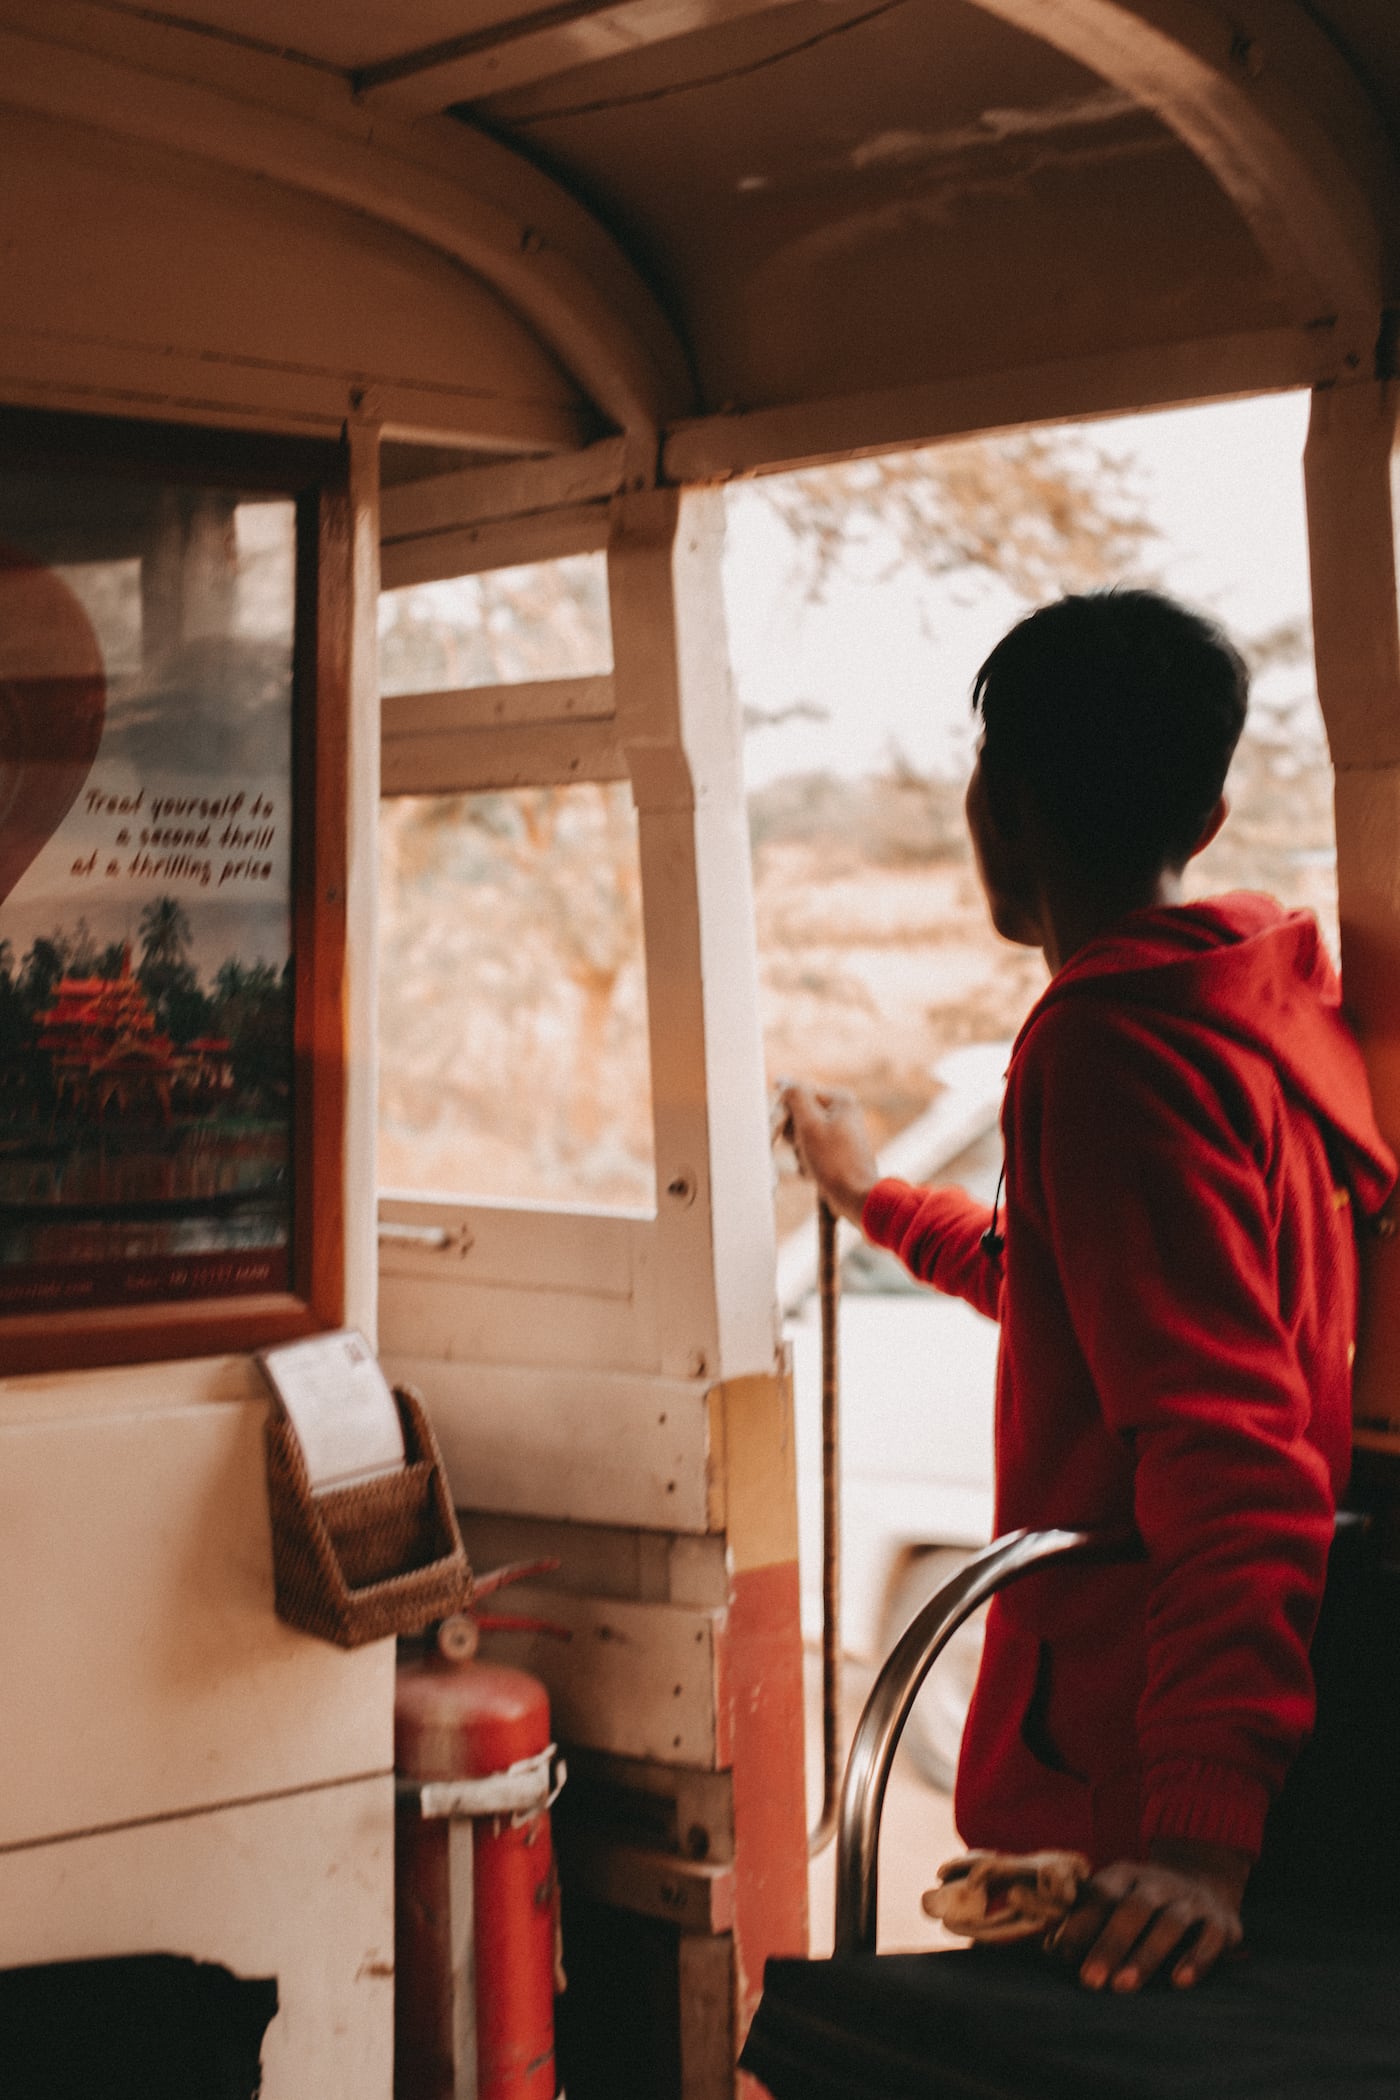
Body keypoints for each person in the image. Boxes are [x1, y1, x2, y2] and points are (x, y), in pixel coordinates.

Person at [782, 588, 1396, 1996]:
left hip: (1136, 1756)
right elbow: (1078, 1295)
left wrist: (1196, 1834)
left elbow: (1230, 1452)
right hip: (1268, 1699)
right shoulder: (1259, 1013)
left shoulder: (1108, 1054)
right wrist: (874, 1198)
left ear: (995, 805)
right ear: (1209, 820)